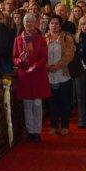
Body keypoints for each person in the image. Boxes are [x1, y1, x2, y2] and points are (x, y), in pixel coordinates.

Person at [13, 13, 50, 142]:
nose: (28, 24)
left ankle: (37, 131)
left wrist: (35, 66)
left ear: (35, 24)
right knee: (27, 105)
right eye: (26, 21)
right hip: (25, 76)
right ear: (23, 23)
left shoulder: (41, 39)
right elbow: (14, 57)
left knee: (37, 104)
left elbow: (44, 58)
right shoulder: (18, 39)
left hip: (37, 74)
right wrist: (20, 60)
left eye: (31, 21)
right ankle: (30, 131)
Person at [43, 15, 74, 135]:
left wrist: (57, 66)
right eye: (52, 23)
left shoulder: (67, 38)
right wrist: (47, 66)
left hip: (63, 75)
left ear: (60, 26)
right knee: (52, 103)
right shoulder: (44, 38)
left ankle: (65, 126)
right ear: (48, 25)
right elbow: (40, 55)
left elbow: (69, 55)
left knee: (64, 102)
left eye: (56, 23)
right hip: (49, 75)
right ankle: (54, 125)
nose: (54, 26)